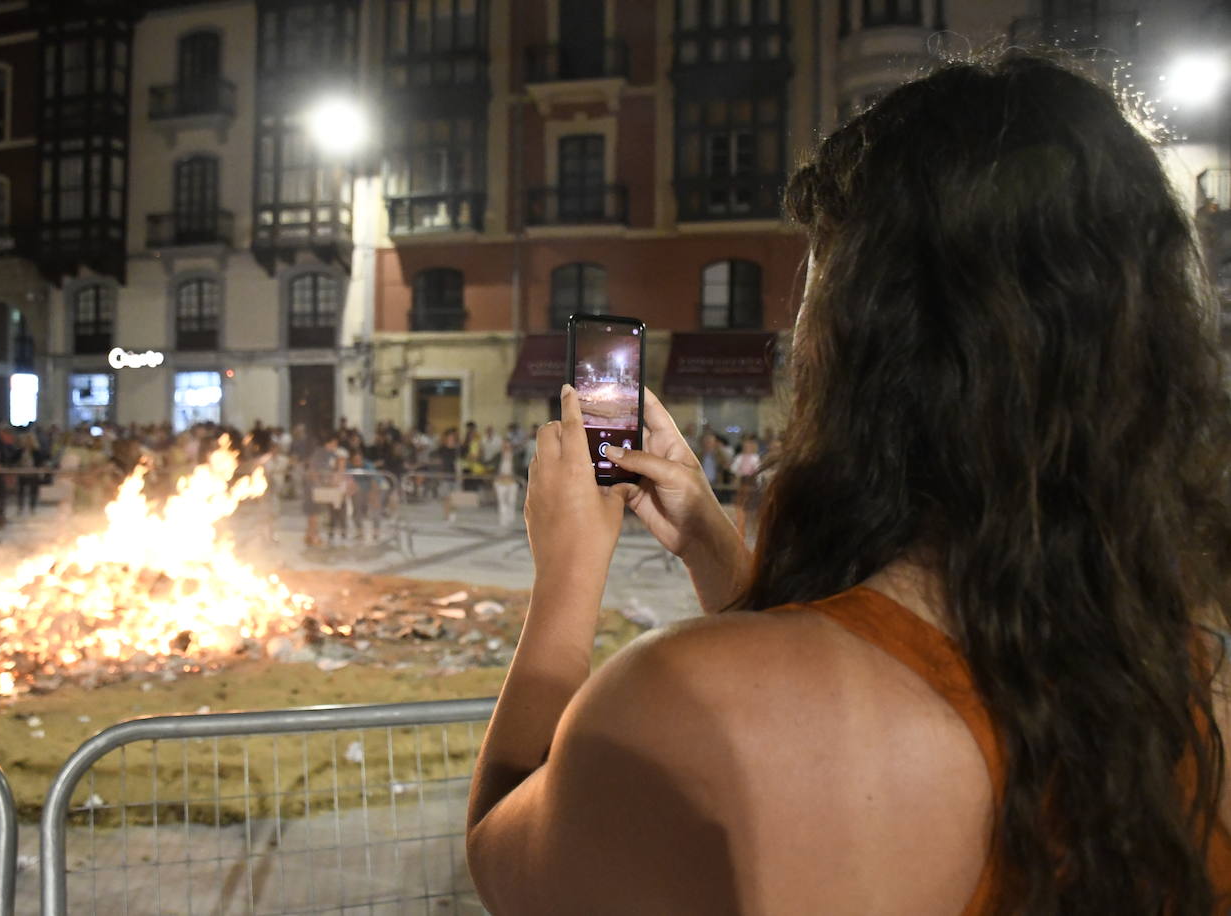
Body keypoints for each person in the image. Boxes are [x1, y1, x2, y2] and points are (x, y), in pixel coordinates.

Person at [465, 54, 1231, 913]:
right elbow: (877, 665)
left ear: (870, 341)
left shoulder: (683, 701)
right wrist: (716, 548)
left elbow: (503, 852)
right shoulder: (1188, 674)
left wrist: (569, 573)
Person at [728, 434, 762, 539]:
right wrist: (738, 474)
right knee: (740, 507)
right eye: (745, 446)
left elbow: (758, 470)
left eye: (749, 446)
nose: (746, 448)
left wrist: (757, 480)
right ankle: (740, 530)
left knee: (751, 508)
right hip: (742, 482)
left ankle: (750, 528)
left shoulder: (756, 458)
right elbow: (733, 469)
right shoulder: (739, 457)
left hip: (752, 483)